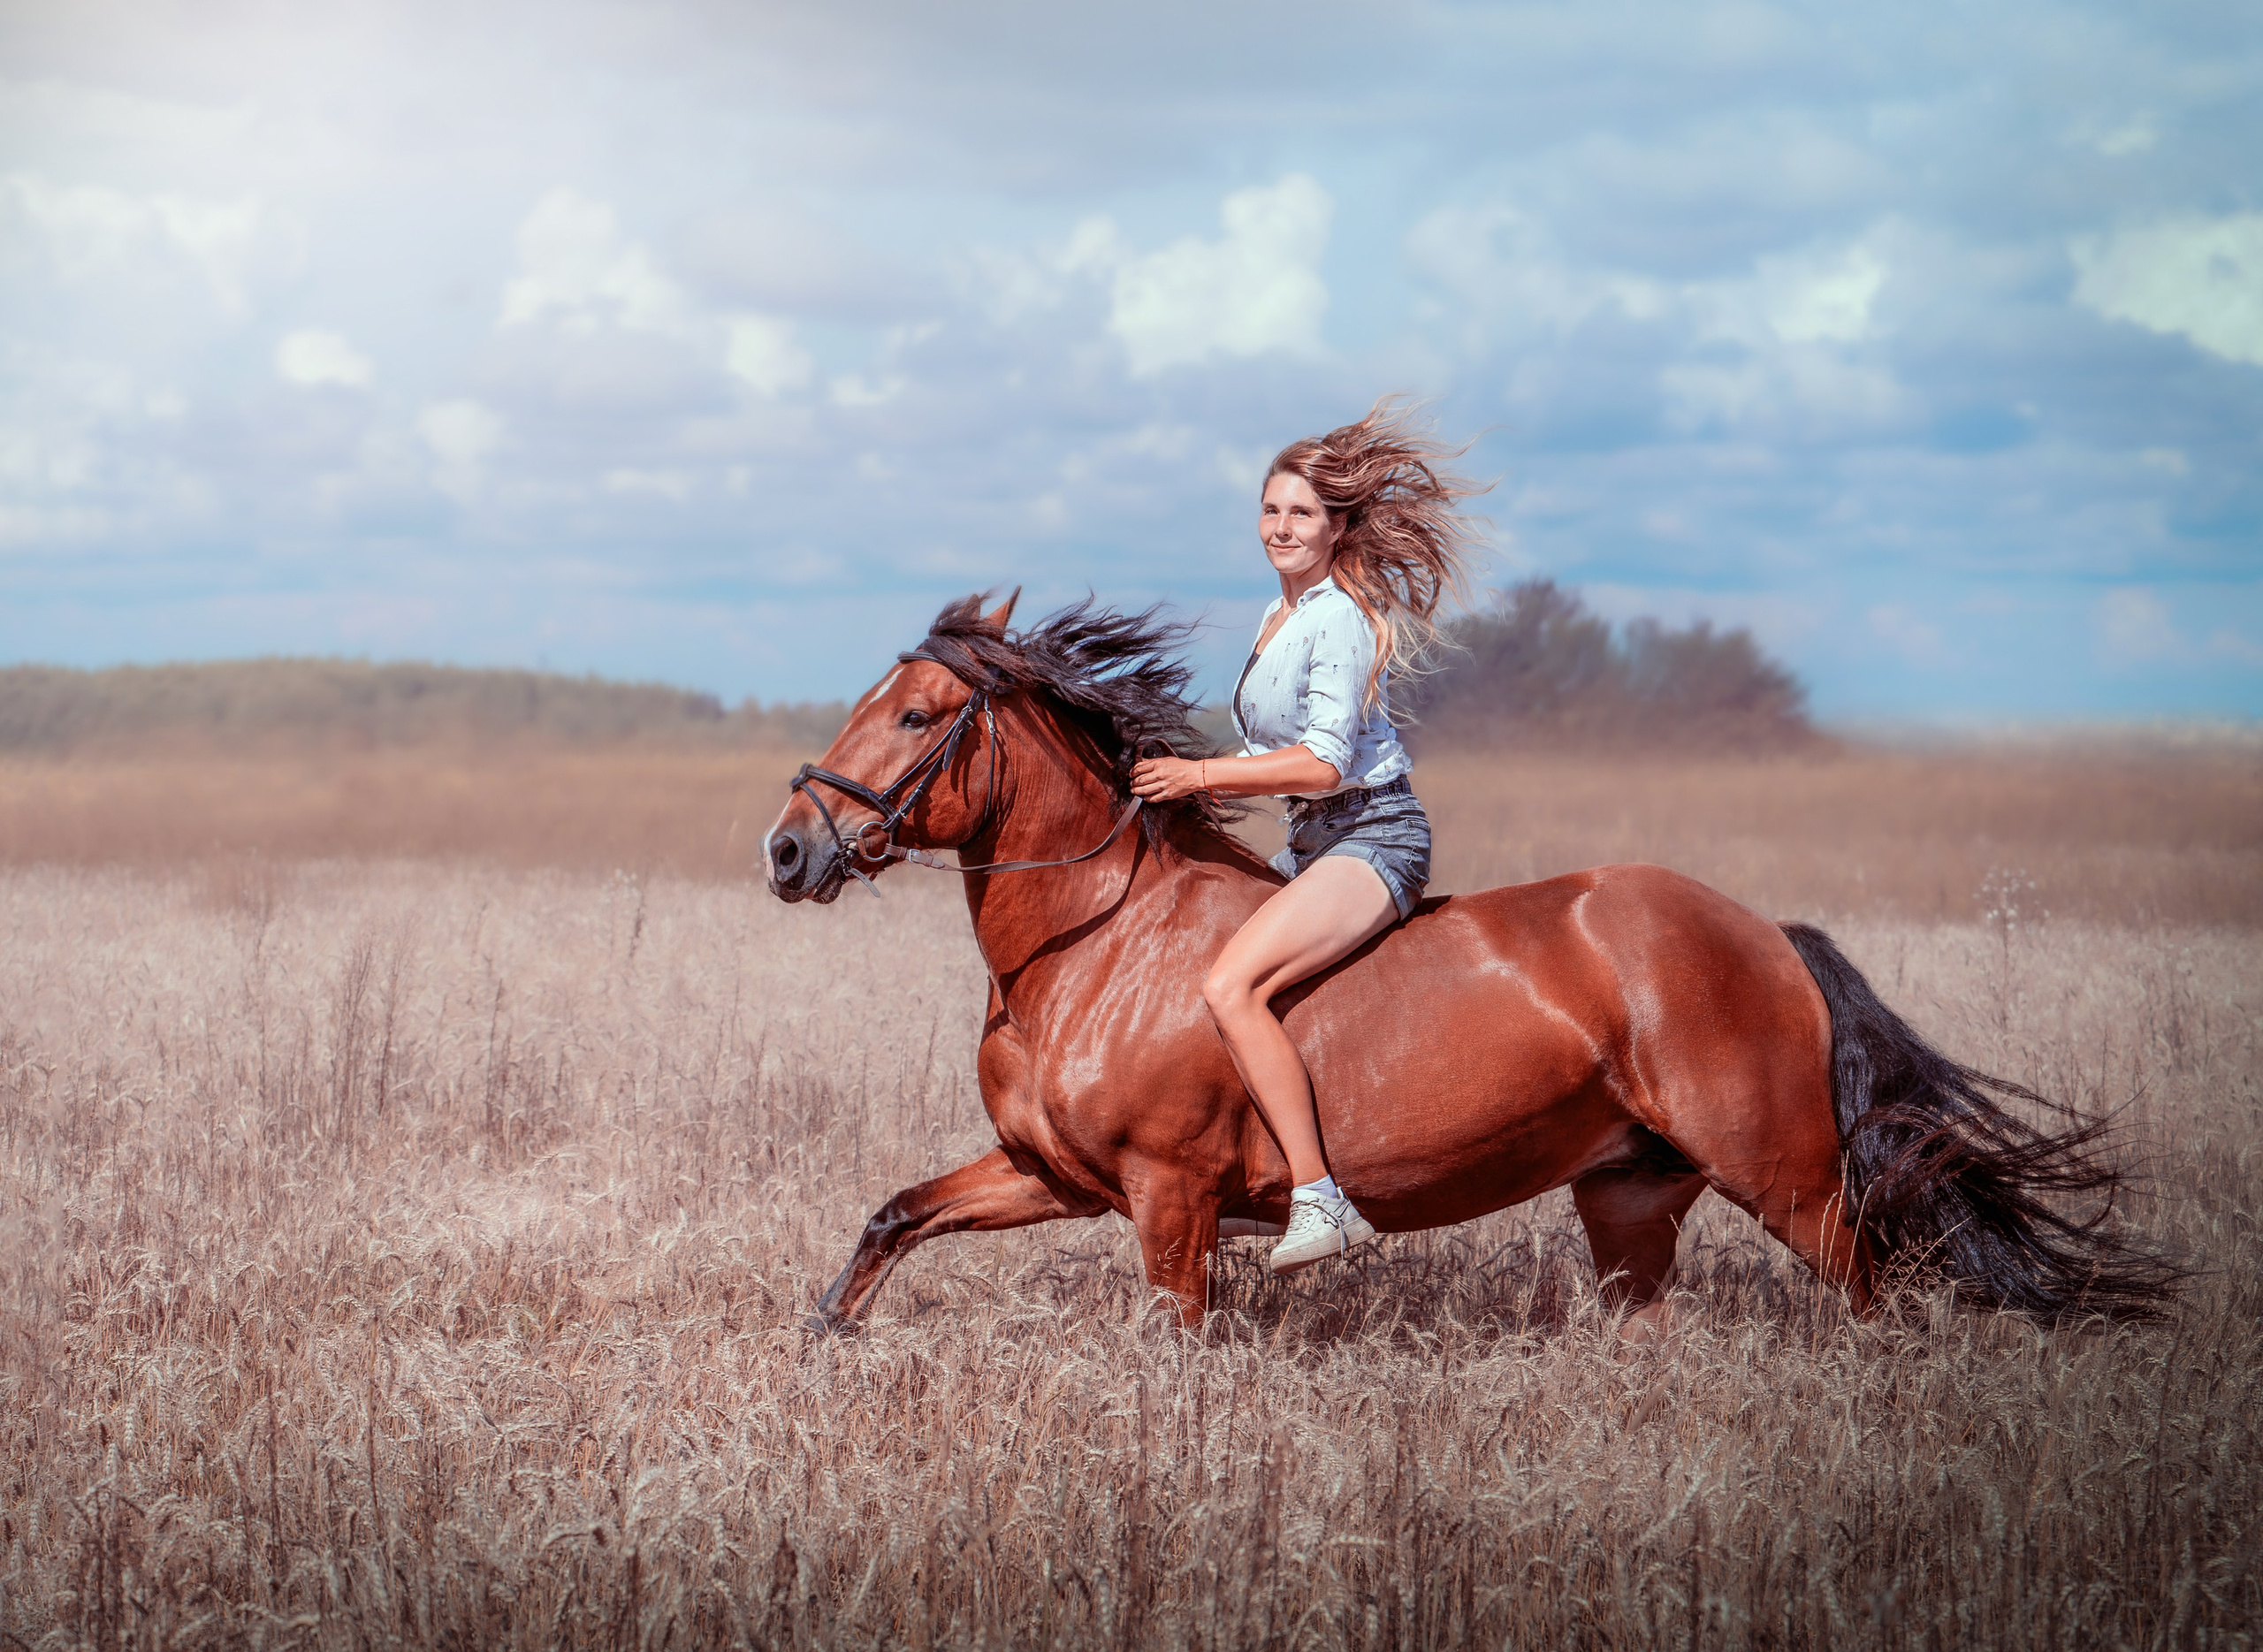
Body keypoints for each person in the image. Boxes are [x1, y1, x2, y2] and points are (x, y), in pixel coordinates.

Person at [1131, 399, 1485, 1275]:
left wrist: (1201, 778)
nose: (1281, 528)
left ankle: (1319, 1198)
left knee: (1232, 985)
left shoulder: (1336, 616)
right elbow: (1268, 752)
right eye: (1271, 510)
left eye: (1302, 515)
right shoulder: (1274, 616)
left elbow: (1323, 763)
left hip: (1371, 836)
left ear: (1335, 530)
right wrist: (1175, 773)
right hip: (1310, 843)